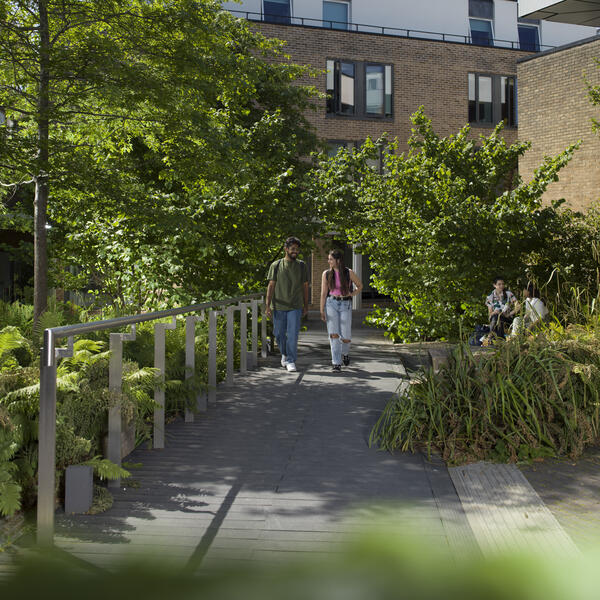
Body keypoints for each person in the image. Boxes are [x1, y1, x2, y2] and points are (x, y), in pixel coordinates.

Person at [265, 237, 309, 373]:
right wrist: (267, 305)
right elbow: (271, 286)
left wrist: (305, 305)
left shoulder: (302, 266)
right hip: (279, 306)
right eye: (293, 249)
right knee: (278, 333)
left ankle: (290, 360)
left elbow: (305, 286)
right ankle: (284, 353)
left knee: (293, 334)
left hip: (295, 306)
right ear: (286, 249)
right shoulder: (276, 265)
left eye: (297, 249)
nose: (295, 251)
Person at [320, 249, 363, 372]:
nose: (329, 261)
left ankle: (345, 353)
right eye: (328, 259)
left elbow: (360, 285)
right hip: (331, 304)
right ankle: (336, 363)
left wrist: (352, 293)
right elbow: (323, 293)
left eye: (331, 259)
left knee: (346, 335)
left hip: (345, 304)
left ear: (338, 260)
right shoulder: (326, 274)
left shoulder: (348, 272)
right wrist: (321, 310)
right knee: (333, 334)